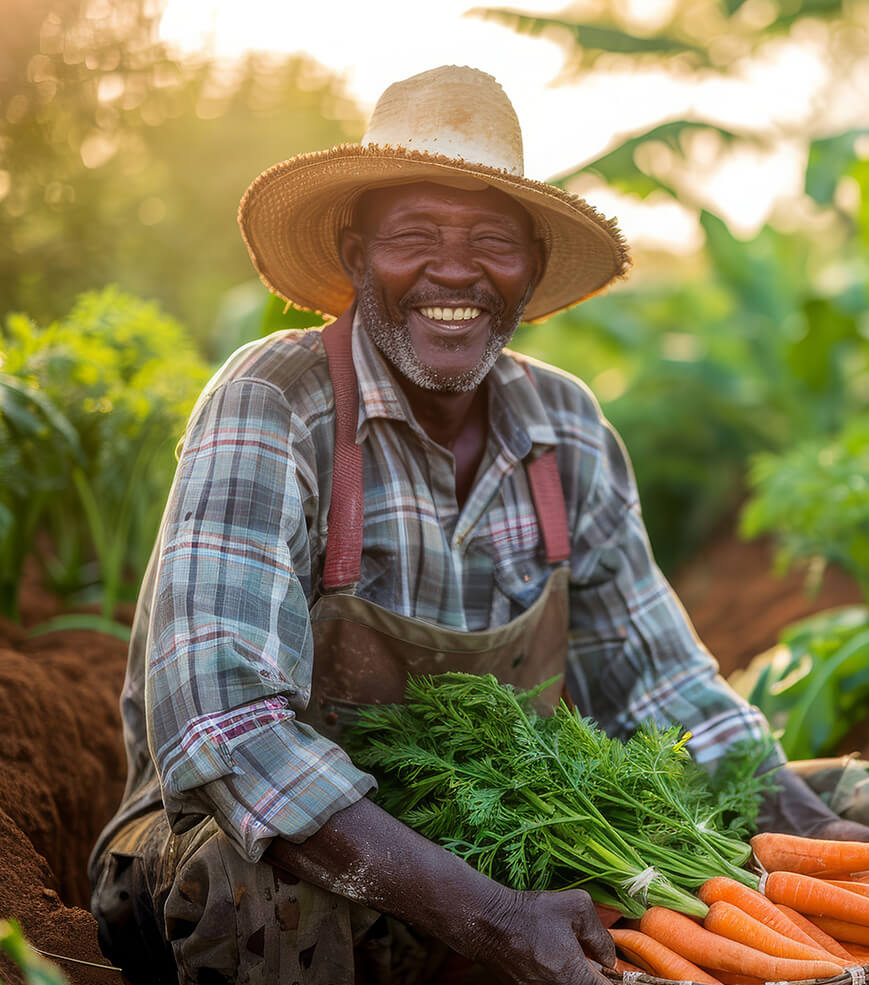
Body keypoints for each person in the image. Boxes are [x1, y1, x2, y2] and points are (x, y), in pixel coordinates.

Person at [89, 65, 869, 985]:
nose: (453, 270)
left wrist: (815, 835)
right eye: (414, 235)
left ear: (531, 269)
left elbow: (665, 689)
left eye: (491, 241)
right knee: (251, 883)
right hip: (271, 861)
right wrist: (494, 916)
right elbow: (228, 732)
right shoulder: (274, 404)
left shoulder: (565, 426)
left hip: (507, 845)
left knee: (844, 794)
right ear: (353, 254)